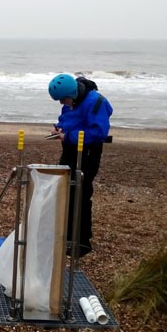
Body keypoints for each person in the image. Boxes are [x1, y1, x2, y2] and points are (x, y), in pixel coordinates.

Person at [48, 73, 113, 257]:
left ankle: (82, 242)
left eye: (63, 99)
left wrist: (69, 136)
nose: (62, 103)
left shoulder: (96, 102)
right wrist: (58, 129)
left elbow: (98, 132)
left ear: (72, 93)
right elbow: (66, 120)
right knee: (65, 190)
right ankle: (67, 236)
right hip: (70, 149)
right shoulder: (72, 101)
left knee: (81, 194)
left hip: (88, 153)